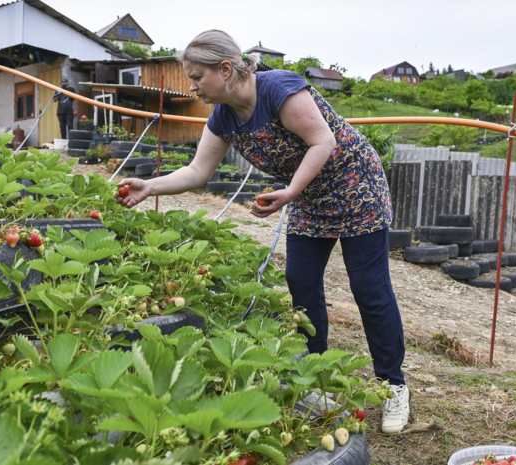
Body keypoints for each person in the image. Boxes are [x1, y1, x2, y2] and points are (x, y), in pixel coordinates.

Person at [115, 30, 410, 434]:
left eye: (197, 76)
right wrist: (150, 186)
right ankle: (314, 378)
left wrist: (290, 191)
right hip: (307, 195)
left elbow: (322, 140)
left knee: (369, 288)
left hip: (354, 184)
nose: (192, 85)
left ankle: (393, 385)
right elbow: (198, 172)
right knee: (301, 282)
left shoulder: (279, 89)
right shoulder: (222, 116)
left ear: (225, 69)